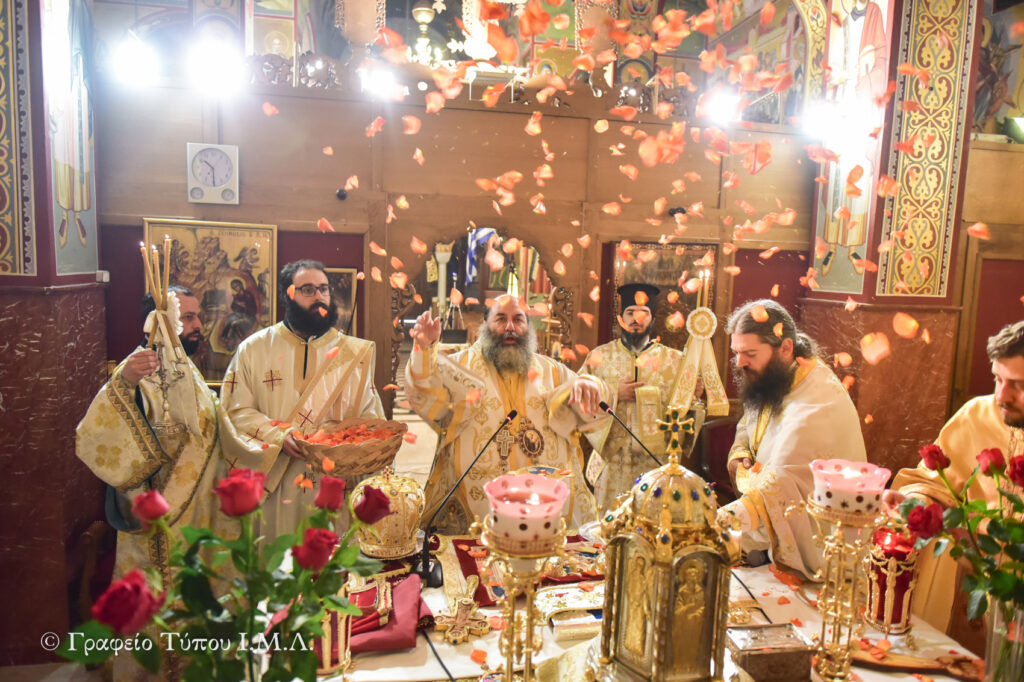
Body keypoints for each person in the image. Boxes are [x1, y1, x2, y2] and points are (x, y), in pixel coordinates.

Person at [405, 294, 611, 533]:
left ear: (528, 326)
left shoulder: (551, 371)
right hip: (479, 509)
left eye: (519, 320)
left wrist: (592, 385)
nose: (510, 327)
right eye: (501, 319)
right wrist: (423, 348)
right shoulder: (460, 367)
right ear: (485, 325)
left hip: (542, 506)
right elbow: (425, 392)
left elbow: (595, 404)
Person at [219, 260, 384, 539]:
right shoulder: (254, 349)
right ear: (289, 295)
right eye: (308, 289)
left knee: (332, 571)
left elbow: (371, 418)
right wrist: (278, 436)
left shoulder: (352, 354)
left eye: (324, 289)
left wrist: (354, 445)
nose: (319, 296)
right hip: (278, 482)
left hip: (333, 486)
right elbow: (233, 410)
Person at [884, 321, 1024, 647]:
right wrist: (914, 501)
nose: (1001, 396)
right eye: (997, 379)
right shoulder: (977, 414)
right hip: (968, 591)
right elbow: (935, 483)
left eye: (1016, 385)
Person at [77, 285, 227, 577]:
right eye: (189, 317)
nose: (198, 325)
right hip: (156, 516)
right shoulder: (135, 372)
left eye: (198, 317)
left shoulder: (185, 366)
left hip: (200, 511)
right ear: (159, 322)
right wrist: (126, 382)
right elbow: (99, 433)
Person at [718, 299, 866, 578]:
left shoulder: (817, 402)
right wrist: (739, 453)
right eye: (736, 352)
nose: (739, 363)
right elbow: (749, 423)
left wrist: (715, 525)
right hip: (769, 531)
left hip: (818, 547)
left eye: (749, 352)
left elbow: (779, 487)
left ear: (785, 347)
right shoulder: (777, 377)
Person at [581, 283, 705, 512]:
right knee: (608, 531)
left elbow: (687, 416)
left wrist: (695, 398)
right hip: (611, 464)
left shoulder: (677, 361)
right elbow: (577, 399)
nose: (636, 319)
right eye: (630, 313)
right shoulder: (597, 357)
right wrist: (613, 393)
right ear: (620, 318)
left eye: (643, 313)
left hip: (656, 464)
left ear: (652, 318)